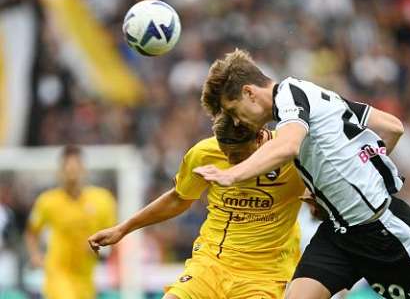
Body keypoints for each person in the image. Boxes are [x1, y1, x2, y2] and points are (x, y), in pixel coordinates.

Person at [194, 49, 410, 299]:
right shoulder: (313, 96)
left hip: (382, 232)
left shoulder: (291, 98)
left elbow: (288, 146)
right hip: (340, 234)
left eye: (234, 112)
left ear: (250, 93)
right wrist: (350, 174)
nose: (238, 123)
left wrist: (233, 174)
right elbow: (393, 128)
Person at [88, 114, 306, 299]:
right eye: (225, 153)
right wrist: (122, 229)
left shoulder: (293, 153)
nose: (230, 161)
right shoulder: (204, 153)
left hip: (264, 275)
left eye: (237, 155)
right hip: (211, 264)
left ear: (258, 137)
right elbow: (178, 198)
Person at [25, 145, 117, 299]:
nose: (72, 174)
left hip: (86, 278)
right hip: (58, 275)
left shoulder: (102, 200)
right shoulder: (47, 201)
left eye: (75, 168)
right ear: (60, 172)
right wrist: (35, 255)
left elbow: (113, 233)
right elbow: (32, 232)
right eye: (68, 169)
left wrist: (103, 249)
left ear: (84, 170)